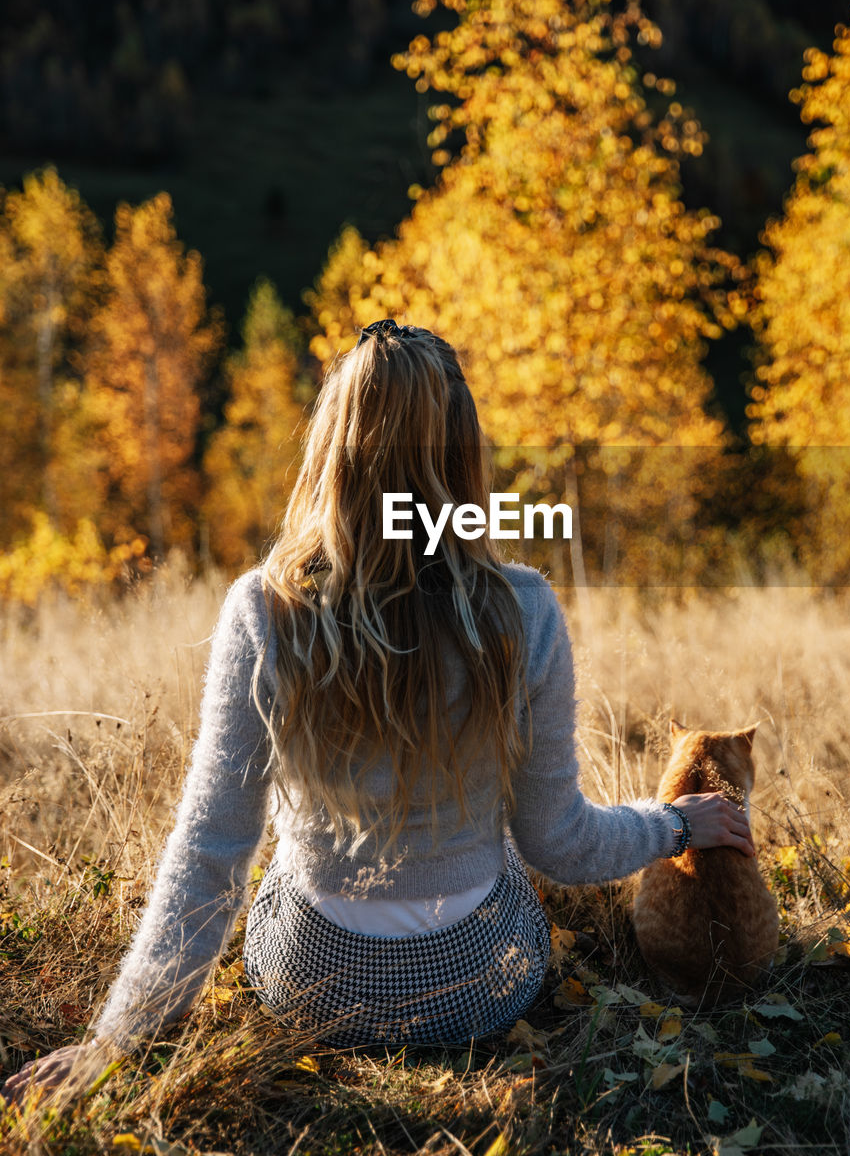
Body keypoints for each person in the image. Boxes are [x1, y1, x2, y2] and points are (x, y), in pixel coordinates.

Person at [1, 320, 752, 1103]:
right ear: (464, 452)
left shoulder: (264, 609)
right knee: (512, 878)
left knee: (271, 870)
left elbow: (211, 848)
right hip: (478, 986)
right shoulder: (521, 609)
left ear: (333, 447)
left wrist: (114, 1042)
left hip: (309, 985)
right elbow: (558, 845)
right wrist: (672, 824)